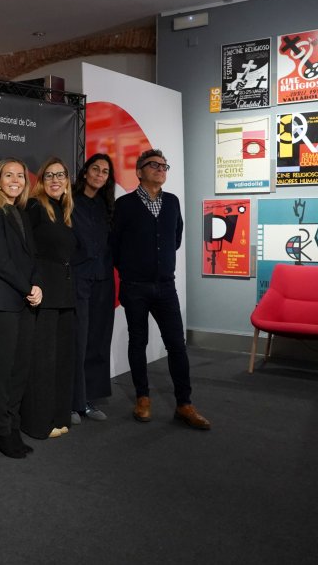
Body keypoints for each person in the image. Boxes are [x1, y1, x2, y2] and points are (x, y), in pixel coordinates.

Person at [110, 148, 211, 430]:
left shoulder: (173, 202)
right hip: (135, 287)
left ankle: (184, 403)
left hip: (166, 285)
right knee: (137, 342)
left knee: (177, 345)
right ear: (139, 172)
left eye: (164, 166)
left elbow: (174, 238)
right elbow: (114, 246)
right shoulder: (126, 205)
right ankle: (142, 398)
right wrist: (133, 269)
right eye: (153, 165)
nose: (160, 169)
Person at [0, 158, 42, 458]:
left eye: (20, 175)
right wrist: (27, 287)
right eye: (9, 175)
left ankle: (12, 424)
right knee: (2, 372)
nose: (15, 180)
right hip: (3, 305)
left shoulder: (21, 213)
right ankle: (0, 430)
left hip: (23, 303)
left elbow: (32, 259)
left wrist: (37, 285)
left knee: (20, 369)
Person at [22, 157, 77, 440]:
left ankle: (58, 414)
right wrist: (33, 283)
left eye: (61, 175)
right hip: (44, 295)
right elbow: (25, 249)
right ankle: (38, 422)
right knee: (42, 362)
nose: (56, 180)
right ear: (41, 181)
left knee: (61, 361)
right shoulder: (34, 207)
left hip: (66, 296)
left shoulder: (65, 211)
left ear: (67, 181)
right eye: (49, 176)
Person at [70, 153, 116, 424]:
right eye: (95, 169)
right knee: (78, 341)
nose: (99, 175)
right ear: (85, 172)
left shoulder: (106, 205)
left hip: (104, 281)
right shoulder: (70, 201)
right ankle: (72, 401)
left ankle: (88, 400)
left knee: (98, 341)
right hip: (79, 279)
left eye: (105, 172)